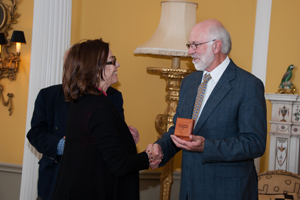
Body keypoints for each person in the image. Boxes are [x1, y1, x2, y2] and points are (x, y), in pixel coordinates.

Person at [152, 19, 267, 200]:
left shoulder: (248, 85)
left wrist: (207, 146)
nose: (190, 51)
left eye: (195, 45)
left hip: (228, 192)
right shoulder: (189, 83)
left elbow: (254, 143)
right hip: (190, 189)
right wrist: (161, 148)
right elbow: (181, 130)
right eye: (189, 45)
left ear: (216, 46)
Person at [51, 38, 160, 200]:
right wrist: (149, 157)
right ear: (95, 69)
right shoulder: (98, 107)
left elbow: (95, 150)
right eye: (112, 61)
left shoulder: (84, 100)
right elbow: (119, 165)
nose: (118, 65)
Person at [27, 84, 126, 200]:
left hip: (97, 181)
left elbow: (115, 137)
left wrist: (126, 137)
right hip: (54, 179)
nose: (116, 66)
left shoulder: (114, 96)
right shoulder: (48, 95)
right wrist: (62, 146)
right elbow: (35, 134)